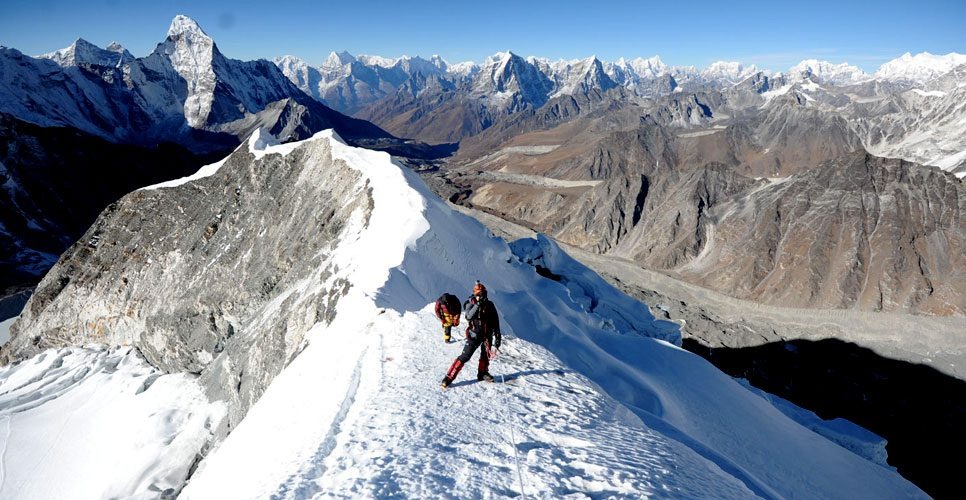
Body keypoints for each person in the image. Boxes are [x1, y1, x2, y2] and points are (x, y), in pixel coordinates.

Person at [441, 281, 502, 388]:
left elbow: (495, 321)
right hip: (474, 334)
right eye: (480, 294)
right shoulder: (470, 303)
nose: (482, 296)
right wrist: (477, 304)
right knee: (465, 356)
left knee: (485, 355)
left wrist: (497, 336)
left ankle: (482, 373)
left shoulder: (490, 305)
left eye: (483, 294)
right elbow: (468, 316)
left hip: (487, 334)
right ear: (476, 294)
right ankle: (449, 377)